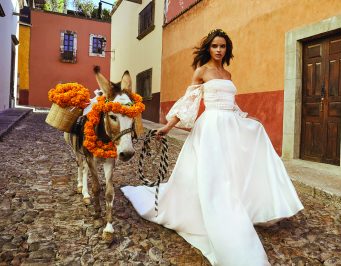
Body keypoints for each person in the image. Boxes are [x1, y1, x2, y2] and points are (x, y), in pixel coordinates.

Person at [121, 29, 304, 266]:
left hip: (231, 126)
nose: (219, 50)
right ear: (208, 48)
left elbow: (232, 104)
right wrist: (167, 127)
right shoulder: (202, 71)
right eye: (215, 46)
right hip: (211, 128)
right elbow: (189, 102)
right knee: (215, 176)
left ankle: (249, 205)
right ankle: (219, 214)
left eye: (223, 47)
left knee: (233, 171)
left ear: (227, 49)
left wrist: (248, 119)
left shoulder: (227, 74)